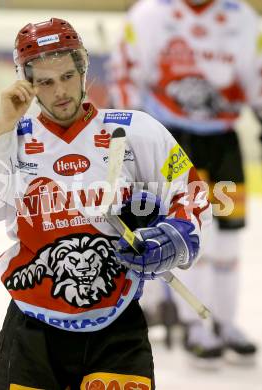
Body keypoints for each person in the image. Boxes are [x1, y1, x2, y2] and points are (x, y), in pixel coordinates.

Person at [0, 18, 211, 389]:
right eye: (46, 81)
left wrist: (175, 235)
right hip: (31, 326)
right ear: (28, 83)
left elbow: (191, 192)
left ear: (84, 69)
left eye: (68, 76)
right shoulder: (12, 139)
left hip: (116, 326)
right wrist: (2, 127)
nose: (61, 91)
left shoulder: (135, 131)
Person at [107, 0, 261, 367]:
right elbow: (125, 74)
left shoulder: (241, 18)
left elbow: (258, 76)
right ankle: (196, 324)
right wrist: (129, 135)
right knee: (189, 232)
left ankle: (223, 322)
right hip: (172, 141)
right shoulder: (149, 14)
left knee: (228, 237)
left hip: (222, 142)